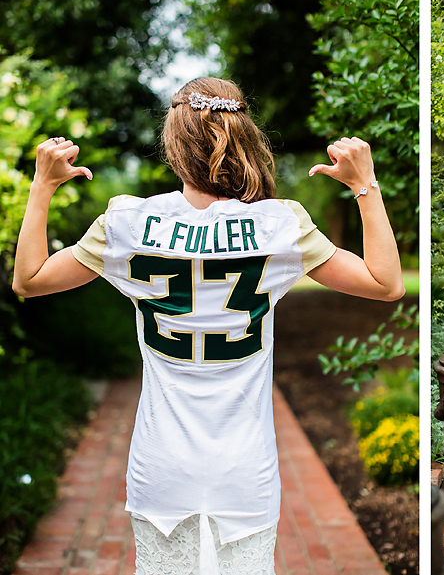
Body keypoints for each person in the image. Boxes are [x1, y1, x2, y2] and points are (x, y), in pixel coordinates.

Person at [12, 77, 405, 574]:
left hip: (160, 468)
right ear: (244, 138)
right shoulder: (279, 224)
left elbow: (28, 280)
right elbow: (386, 283)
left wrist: (42, 186)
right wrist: (364, 187)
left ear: (173, 144)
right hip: (246, 471)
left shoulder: (127, 222)